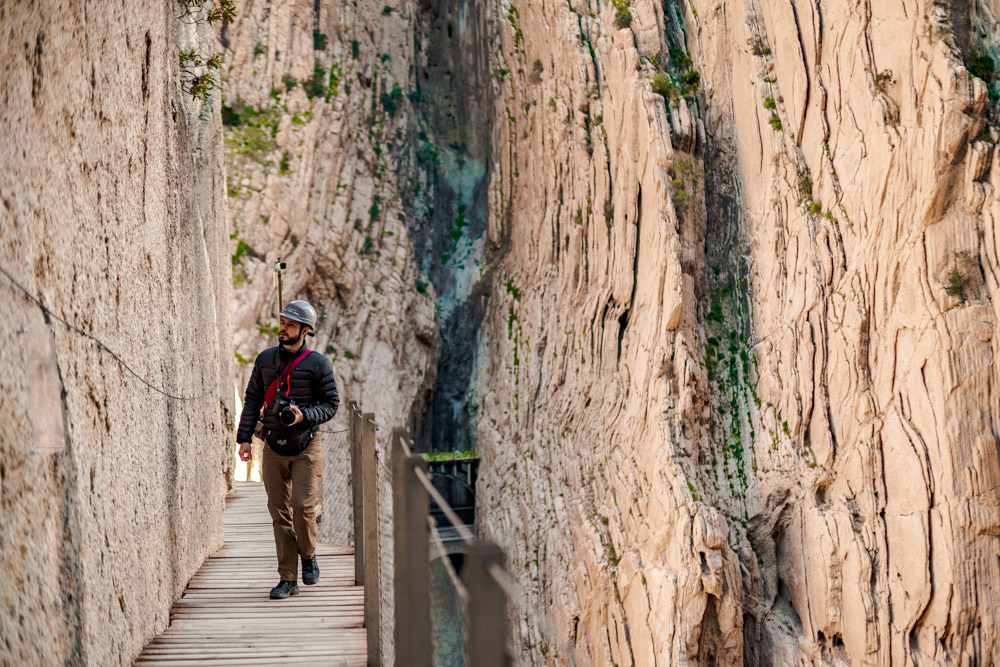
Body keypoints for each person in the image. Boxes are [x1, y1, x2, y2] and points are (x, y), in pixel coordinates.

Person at [235, 300, 339, 599]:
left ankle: (308, 555)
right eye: (282, 322)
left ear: (305, 331)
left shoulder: (318, 364)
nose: (283, 328)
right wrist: (244, 439)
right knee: (279, 514)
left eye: (291, 324)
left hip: (307, 446)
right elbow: (253, 399)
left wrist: (305, 415)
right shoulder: (265, 360)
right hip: (273, 446)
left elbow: (331, 404)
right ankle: (288, 579)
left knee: (302, 507)